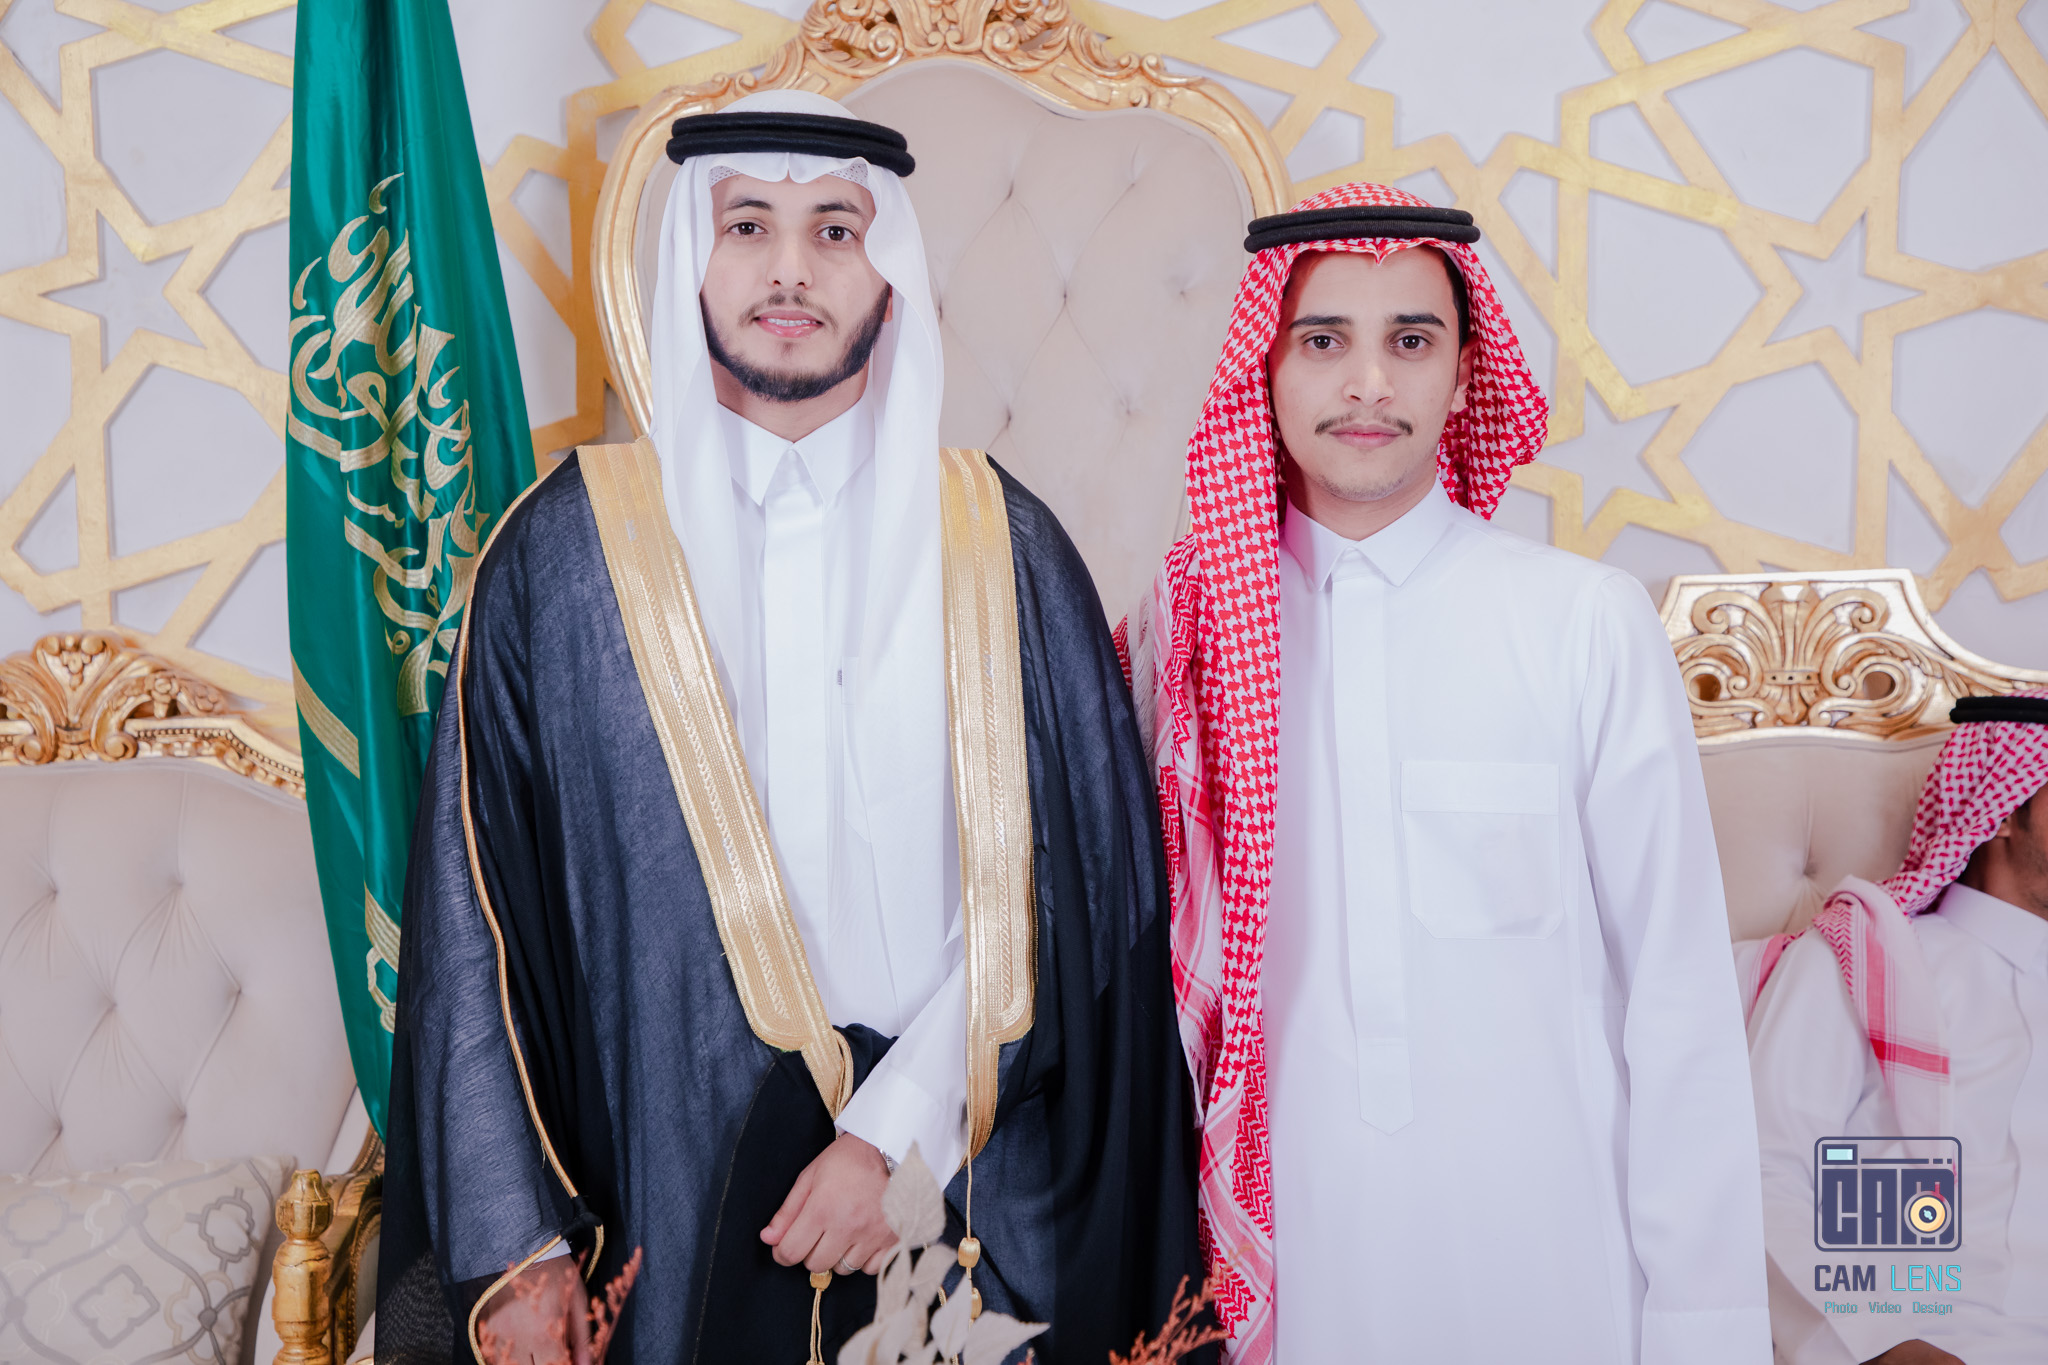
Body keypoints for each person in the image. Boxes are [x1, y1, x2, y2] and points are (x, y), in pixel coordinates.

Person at [372, 91, 1202, 1365]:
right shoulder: (562, 559)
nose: (790, 270)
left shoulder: (1006, 548)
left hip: (971, 1200)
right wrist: (517, 1250)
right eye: (747, 224)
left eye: (835, 230)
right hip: (667, 1202)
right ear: (689, 263)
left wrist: (896, 1132)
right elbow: (471, 920)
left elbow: (1083, 888)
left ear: (889, 271)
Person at [1119, 182, 1771, 1362]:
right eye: (1323, 342)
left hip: (1550, 1268)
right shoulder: (1186, 644)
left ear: (1465, 377)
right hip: (1280, 1267)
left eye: (1410, 342)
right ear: (1265, 371)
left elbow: (1677, 1003)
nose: (1369, 382)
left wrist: (1702, 1330)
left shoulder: (1581, 621)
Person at [1747, 691, 2048, 1365]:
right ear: (2003, 808)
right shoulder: (1862, 958)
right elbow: (1761, 1169)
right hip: (1922, 1338)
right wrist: (1882, 1344)